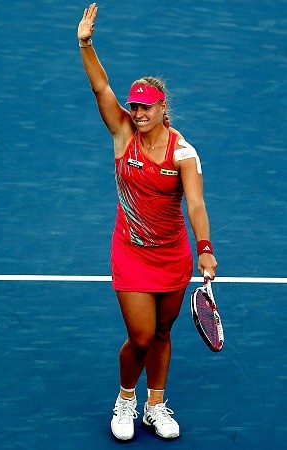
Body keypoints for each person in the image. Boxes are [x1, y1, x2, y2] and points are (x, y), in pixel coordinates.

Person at [77, 3, 217, 441]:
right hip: (132, 252)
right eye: (134, 107)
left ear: (162, 108)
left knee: (161, 331)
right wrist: (86, 43)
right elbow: (102, 89)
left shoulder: (183, 153)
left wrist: (205, 248)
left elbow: (195, 205)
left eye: (145, 108)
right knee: (139, 336)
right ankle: (125, 399)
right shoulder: (122, 135)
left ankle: (156, 404)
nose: (137, 113)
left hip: (173, 255)